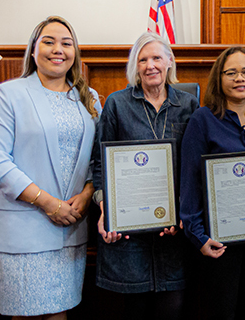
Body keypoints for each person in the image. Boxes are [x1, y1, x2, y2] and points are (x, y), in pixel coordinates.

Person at [0, 16, 101, 319]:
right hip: (25, 229)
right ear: (33, 50)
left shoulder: (88, 98)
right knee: (25, 314)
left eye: (66, 43)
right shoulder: (11, 94)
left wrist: (86, 196)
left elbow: (95, 159)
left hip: (70, 228)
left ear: (75, 53)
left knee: (59, 314)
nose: (57, 49)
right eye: (48, 41)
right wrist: (48, 203)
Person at [91, 31, 199, 318]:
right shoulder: (117, 104)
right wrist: (106, 208)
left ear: (169, 62)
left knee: (172, 308)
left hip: (173, 230)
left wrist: (184, 212)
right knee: (134, 309)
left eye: (156, 58)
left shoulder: (188, 105)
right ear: (135, 67)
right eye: (143, 60)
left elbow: (195, 166)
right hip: (129, 232)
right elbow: (100, 162)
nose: (150, 65)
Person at [180, 46, 245, 320]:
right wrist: (198, 236)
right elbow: (190, 181)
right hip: (218, 240)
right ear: (219, 78)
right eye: (231, 72)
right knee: (221, 311)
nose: (240, 78)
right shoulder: (202, 120)